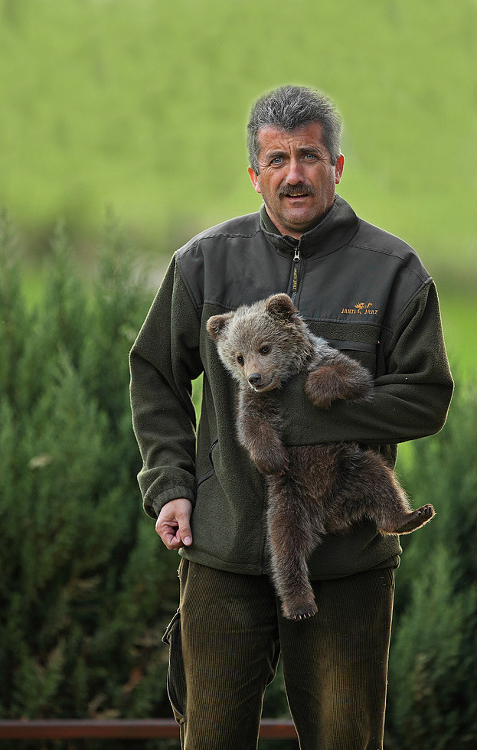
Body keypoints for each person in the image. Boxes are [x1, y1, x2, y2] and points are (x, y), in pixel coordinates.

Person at [130, 85, 453, 749]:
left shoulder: (394, 272)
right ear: (254, 174)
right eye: (276, 160)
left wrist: (312, 410)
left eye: (310, 156)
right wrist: (170, 485)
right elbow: (155, 374)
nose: (294, 174)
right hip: (223, 555)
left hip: (345, 565)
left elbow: (427, 396)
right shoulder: (202, 264)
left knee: (345, 739)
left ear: (336, 166)